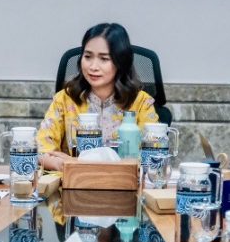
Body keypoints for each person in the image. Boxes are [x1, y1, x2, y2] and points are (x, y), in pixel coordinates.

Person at [38, 23, 159, 171]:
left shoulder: (141, 103)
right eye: (88, 56)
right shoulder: (65, 99)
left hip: (123, 182)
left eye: (104, 59)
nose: (93, 67)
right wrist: (61, 164)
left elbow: (153, 156)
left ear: (121, 62)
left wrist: (74, 162)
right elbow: (41, 151)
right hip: (74, 181)